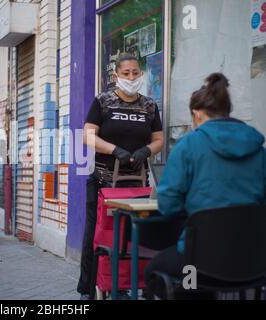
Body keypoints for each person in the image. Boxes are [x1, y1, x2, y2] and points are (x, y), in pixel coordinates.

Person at [144, 73, 266, 299]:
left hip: (197, 264)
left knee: (158, 272)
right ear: (227, 112)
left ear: (197, 114)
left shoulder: (189, 145)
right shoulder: (259, 149)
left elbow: (168, 204)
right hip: (253, 263)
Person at [78, 53, 165, 300]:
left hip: (137, 185)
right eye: (125, 73)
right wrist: (114, 150)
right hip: (103, 183)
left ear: (141, 73)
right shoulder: (102, 101)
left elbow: (158, 139)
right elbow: (88, 136)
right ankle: (88, 288)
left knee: (133, 235)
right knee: (94, 236)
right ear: (115, 75)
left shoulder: (149, 105)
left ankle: (128, 283)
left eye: (135, 72)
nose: (131, 77)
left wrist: (145, 150)